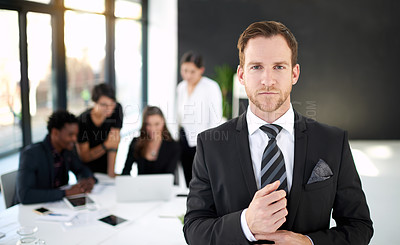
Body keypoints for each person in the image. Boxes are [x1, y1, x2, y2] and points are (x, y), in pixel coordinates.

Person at [183, 21, 373, 245]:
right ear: (242, 76)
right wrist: (246, 223)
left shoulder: (333, 142)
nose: (267, 80)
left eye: (279, 67)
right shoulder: (210, 145)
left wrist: (308, 243)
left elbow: (359, 226)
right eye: (256, 67)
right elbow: (194, 229)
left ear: (295, 73)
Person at [16, 110, 95, 204]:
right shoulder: (31, 154)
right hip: (30, 210)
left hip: (55, 206)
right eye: (70, 135)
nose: (75, 139)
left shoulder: (66, 150)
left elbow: (81, 169)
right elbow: (25, 195)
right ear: (55, 133)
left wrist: (87, 180)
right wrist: (66, 192)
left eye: (76, 135)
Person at [177, 51, 223, 187]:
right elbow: (179, 115)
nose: (188, 75)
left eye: (192, 71)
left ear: (201, 70)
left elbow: (215, 119)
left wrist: (210, 145)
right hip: (184, 139)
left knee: (202, 181)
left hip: (203, 141)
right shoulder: (181, 88)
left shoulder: (211, 87)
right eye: (185, 70)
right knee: (187, 179)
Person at [77, 83, 123, 178]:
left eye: (112, 104)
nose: (109, 109)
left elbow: (113, 145)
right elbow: (85, 157)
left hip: (105, 166)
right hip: (86, 171)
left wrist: (111, 173)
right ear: (94, 102)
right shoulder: (82, 121)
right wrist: (106, 145)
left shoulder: (117, 109)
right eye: (104, 105)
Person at [122, 106, 180, 176]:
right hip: (141, 186)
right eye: (148, 124)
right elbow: (125, 172)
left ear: (163, 122)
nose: (152, 129)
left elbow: (169, 176)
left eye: (157, 124)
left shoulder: (173, 146)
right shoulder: (136, 143)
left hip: (163, 186)